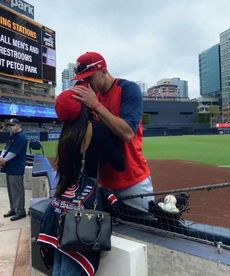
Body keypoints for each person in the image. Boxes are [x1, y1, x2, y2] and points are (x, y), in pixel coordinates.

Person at [37, 89, 125, 276]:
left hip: (60, 209)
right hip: (82, 216)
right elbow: (120, 164)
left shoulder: (65, 135)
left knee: (59, 268)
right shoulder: (99, 129)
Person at [71, 51, 154, 212]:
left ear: (103, 71)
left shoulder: (128, 89)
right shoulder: (91, 97)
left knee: (145, 229)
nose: (87, 83)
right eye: (84, 79)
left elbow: (128, 133)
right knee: (107, 233)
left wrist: (95, 105)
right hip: (103, 183)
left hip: (133, 181)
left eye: (89, 77)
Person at [0, 118, 28, 221]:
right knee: (11, 190)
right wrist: (1, 158)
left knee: (17, 190)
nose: (10, 127)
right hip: (9, 167)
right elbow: (6, 148)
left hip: (16, 167)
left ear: (18, 125)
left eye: (12, 125)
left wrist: (3, 160)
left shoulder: (21, 137)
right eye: (9, 125)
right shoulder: (13, 136)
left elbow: (13, 153)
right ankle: (13, 209)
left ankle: (20, 211)